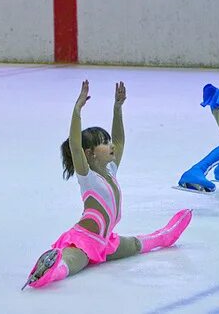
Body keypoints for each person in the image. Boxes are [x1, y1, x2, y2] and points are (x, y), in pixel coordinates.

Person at [23, 81, 192, 289]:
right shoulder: (88, 177)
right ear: (90, 153)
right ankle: (48, 271)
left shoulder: (110, 170)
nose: (111, 145)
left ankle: (164, 236)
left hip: (106, 241)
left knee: (136, 245)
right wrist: (77, 110)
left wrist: (117, 109)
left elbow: (120, 141)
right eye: (104, 142)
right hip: (84, 241)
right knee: (71, 264)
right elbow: (75, 145)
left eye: (108, 140)